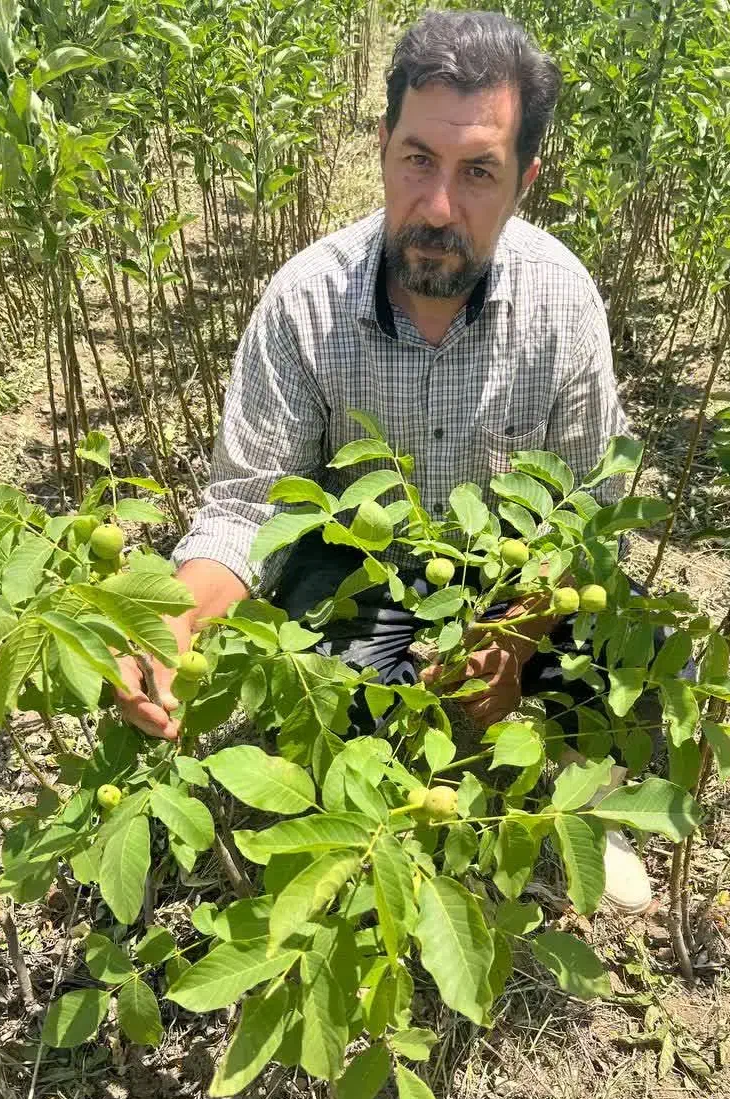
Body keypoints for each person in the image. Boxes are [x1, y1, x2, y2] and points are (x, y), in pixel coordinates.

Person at [116, 9, 652, 912]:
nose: (438, 206)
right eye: (418, 161)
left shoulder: (564, 302)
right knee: (347, 699)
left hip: (505, 572)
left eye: (478, 172)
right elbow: (248, 508)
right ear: (382, 148)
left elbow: (592, 510)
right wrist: (177, 620)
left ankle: (570, 793)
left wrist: (513, 637)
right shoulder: (305, 302)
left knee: (597, 651)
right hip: (363, 574)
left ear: (525, 179)